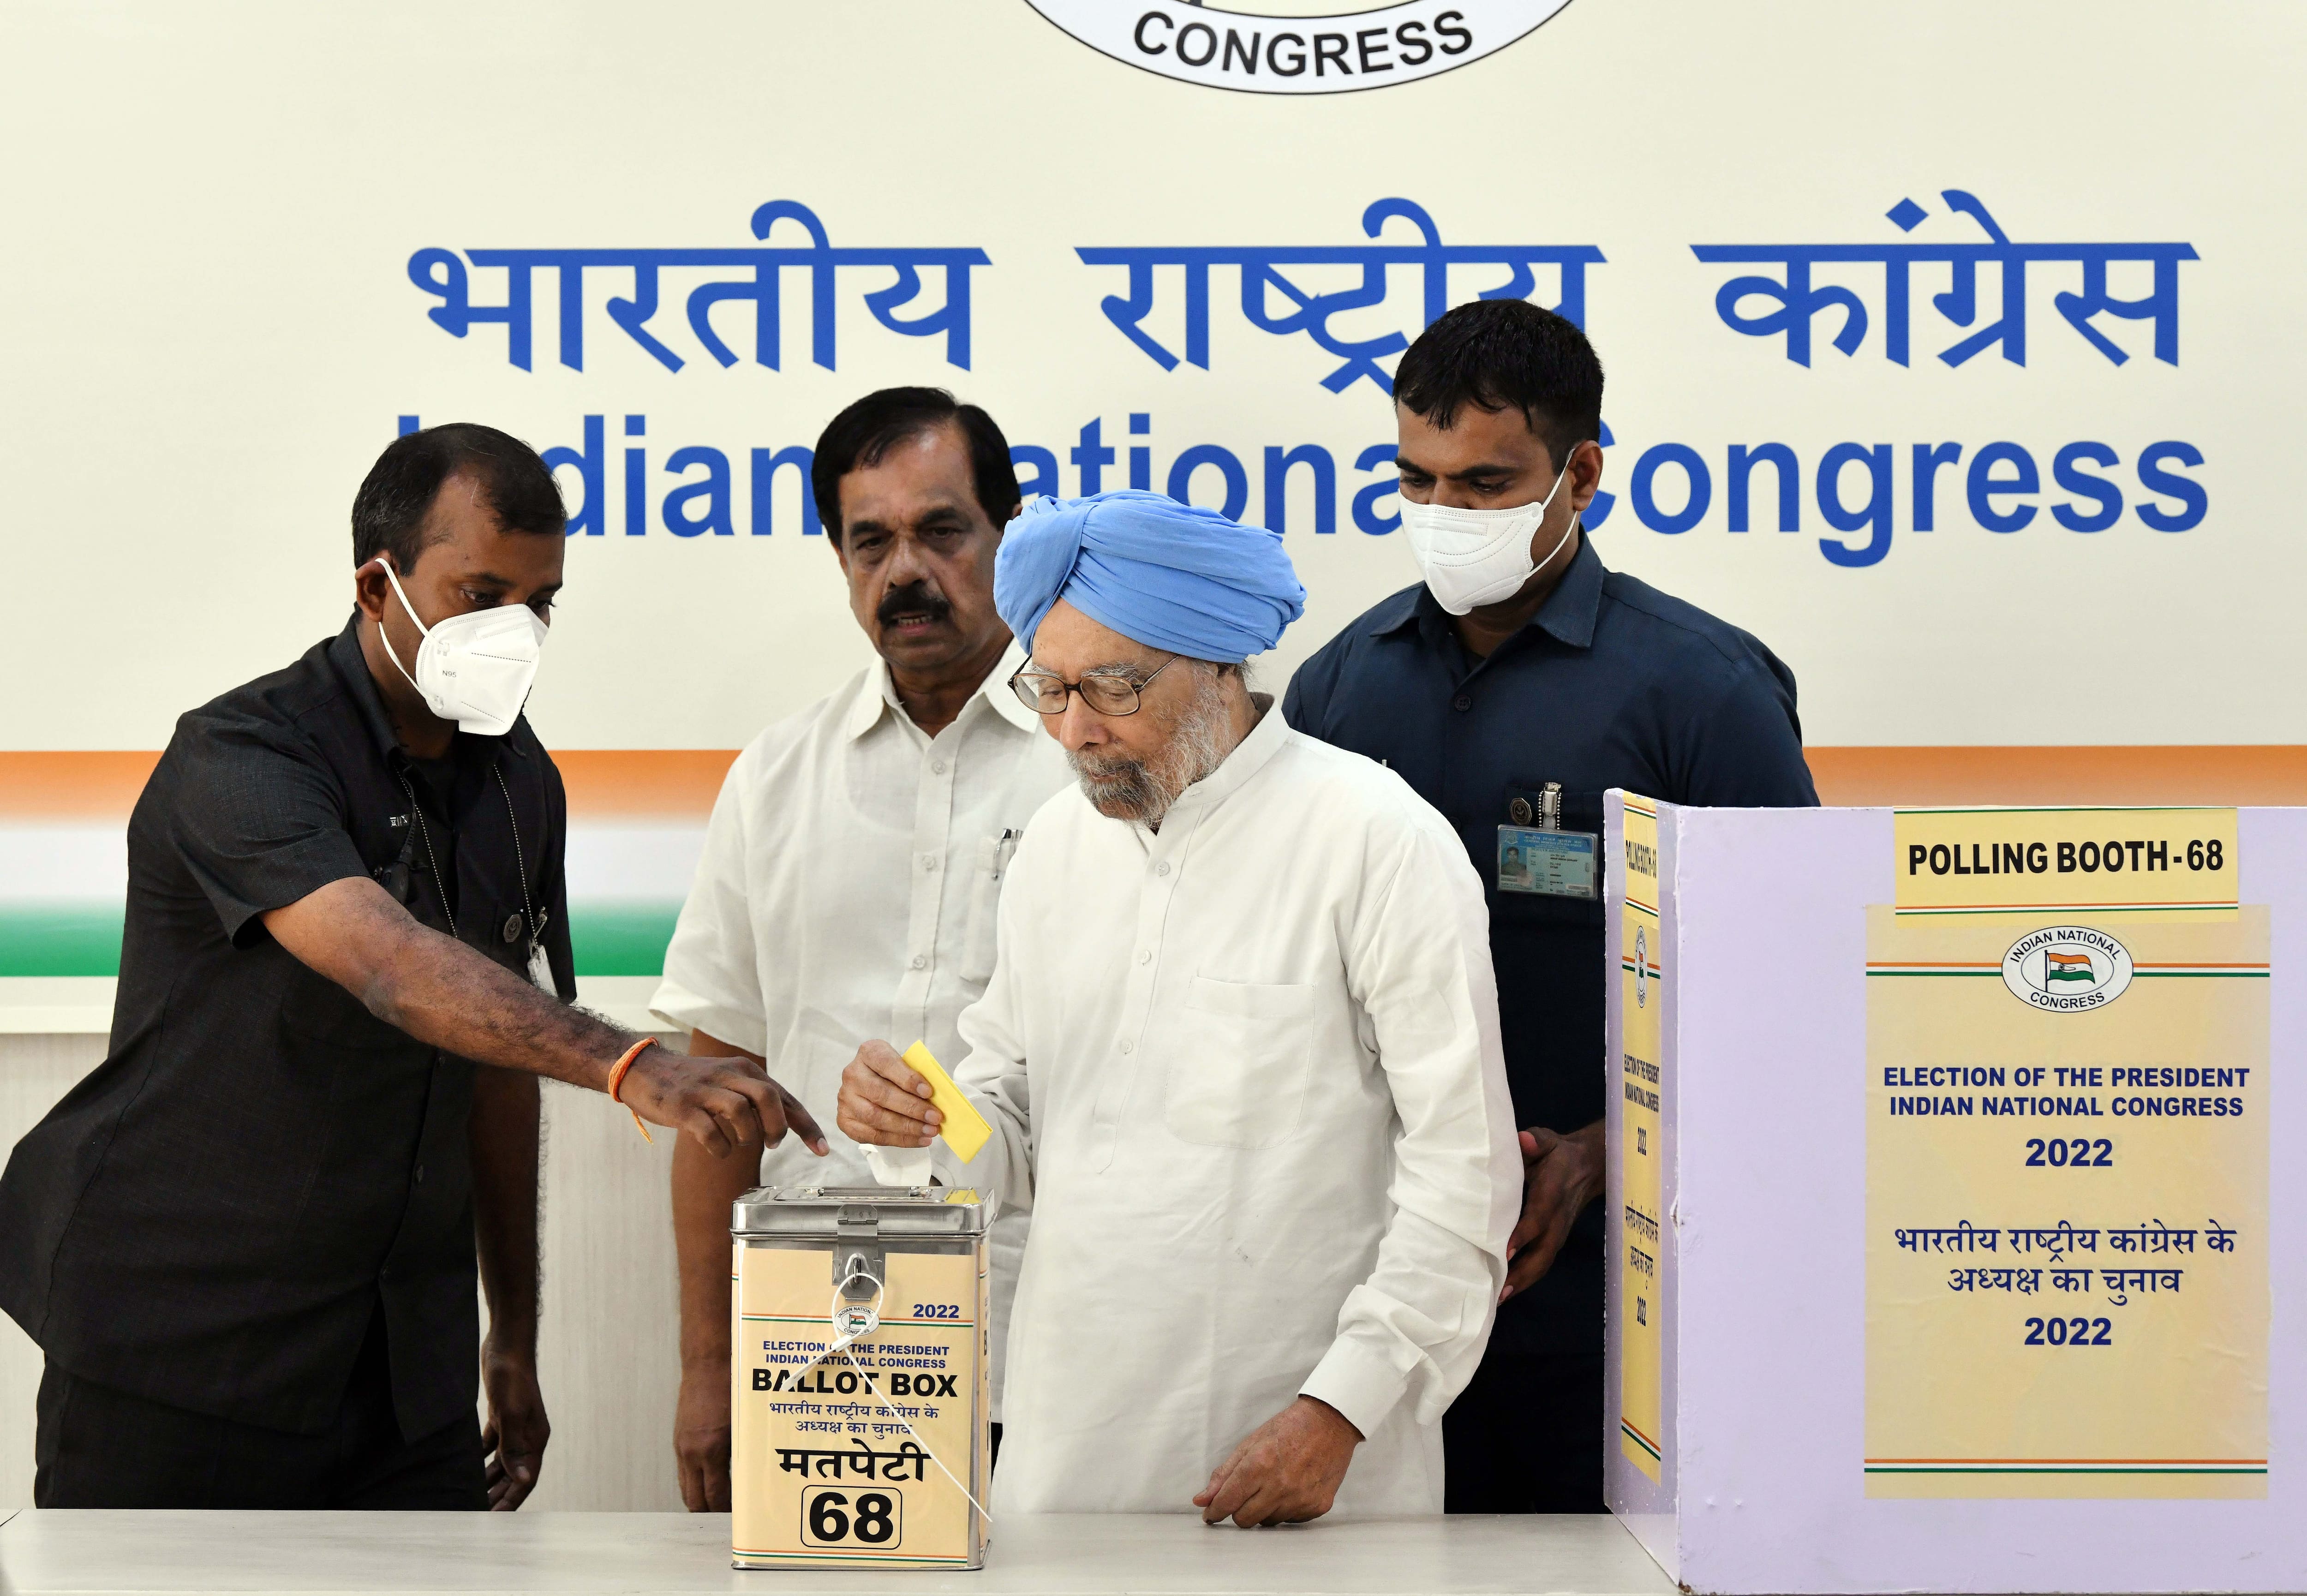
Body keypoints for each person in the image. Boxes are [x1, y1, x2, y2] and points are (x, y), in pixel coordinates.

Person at [0, 424, 823, 1511]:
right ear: (376, 585)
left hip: (403, 1373)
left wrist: (513, 1338)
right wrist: (634, 1065)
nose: (514, 633)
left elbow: (495, 1058)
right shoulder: (243, 754)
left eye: (540, 603)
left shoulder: (524, 782)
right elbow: (392, 967)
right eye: (481, 592)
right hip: (181, 1337)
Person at [837, 489, 1520, 1526]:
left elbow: (1464, 1177)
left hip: (1305, 1460)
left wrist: (1341, 1408)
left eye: (1111, 686)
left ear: (1215, 664)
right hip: (1068, 1452)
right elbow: (1011, 1117)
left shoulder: (1377, 839)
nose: (1074, 730)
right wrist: (927, 1117)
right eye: (1049, 688)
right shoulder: (1056, 848)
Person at [1285, 299, 1819, 1512]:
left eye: (1486, 483)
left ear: (1580, 474)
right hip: (1376, 1310)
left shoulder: (1704, 690)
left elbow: (1788, 1006)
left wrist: (1606, 1154)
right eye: (1417, 481)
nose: (1446, 516)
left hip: (1617, 1310)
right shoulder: (1337, 688)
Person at [655, 388, 1070, 1511]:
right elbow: (717, 1094)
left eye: (942, 531)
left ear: (1008, 538)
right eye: (869, 541)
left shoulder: (1096, 770)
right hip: (816, 1347)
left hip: (1050, 1343)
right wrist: (707, 1365)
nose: (905, 571)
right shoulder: (776, 780)